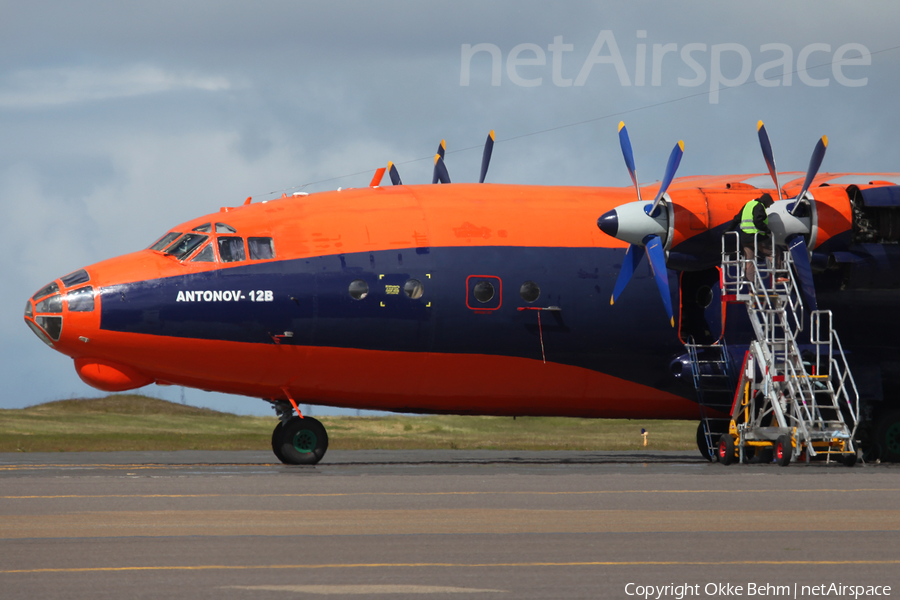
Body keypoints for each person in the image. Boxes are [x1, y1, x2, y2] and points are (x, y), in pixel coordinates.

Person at [736, 192, 776, 285]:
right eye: (769, 204)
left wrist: (727, 230)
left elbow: (737, 218)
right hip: (755, 237)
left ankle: (751, 285)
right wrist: (767, 231)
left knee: (749, 261)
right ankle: (779, 275)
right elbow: (757, 221)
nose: (769, 207)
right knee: (774, 251)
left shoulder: (748, 204)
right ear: (766, 202)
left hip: (745, 238)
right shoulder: (760, 206)